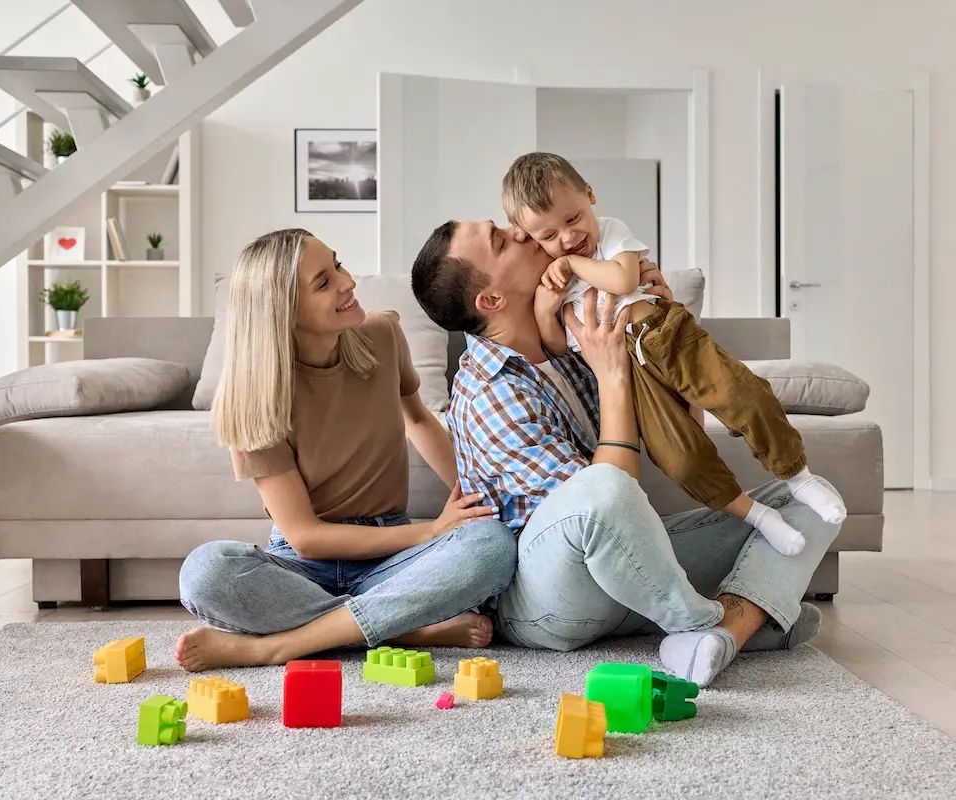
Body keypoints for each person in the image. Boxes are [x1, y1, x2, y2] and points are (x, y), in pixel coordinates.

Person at [410, 219, 842, 687]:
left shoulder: (573, 335)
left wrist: (666, 334)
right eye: (499, 240)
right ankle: (712, 620)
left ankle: (725, 632)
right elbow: (609, 499)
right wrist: (613, 374)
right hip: (544, 600)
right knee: (602, 490)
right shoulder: (488, 393)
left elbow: (678, 439)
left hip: (625, 570)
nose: (518, 231)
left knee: (810, 501)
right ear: (490, 301)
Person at [174, 228, 516, 672]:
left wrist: (474, 499)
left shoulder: (383, 335)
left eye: (337, 264)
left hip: (390, 555)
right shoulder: (253, 399)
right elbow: (307, 537)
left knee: (490, 544)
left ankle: (277, 646)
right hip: (303, 565)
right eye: (323, 282)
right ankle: (401, 627)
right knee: (204, 572)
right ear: (283, 311)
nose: (347, 281)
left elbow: (418, 419)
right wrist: (431, 532)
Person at [500, 152, 845, 556]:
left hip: (664, 334)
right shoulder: (548, 275)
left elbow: (625, 277)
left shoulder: (609, 236)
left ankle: (798, 478)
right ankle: (757, 516)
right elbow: (557, 346)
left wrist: (574, 263)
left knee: (743, 396)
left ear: (590, 195)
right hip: (630, 372)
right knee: (678, 457)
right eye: (548, 235)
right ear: (528, 235)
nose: (566, 237)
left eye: (573, 219)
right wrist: (546, 306)